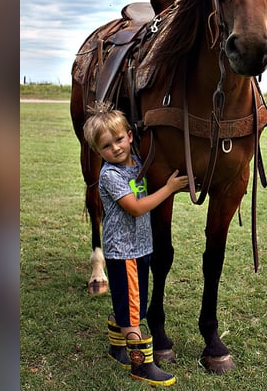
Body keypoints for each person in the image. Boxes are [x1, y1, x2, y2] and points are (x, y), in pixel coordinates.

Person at [83, 104, 188, 387]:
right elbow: (137, 208)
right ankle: (143, 366)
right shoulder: (110, 176)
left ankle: (118, 348)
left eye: (119, 139)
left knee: (130, 304)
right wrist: (169, 188)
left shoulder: (137, 163)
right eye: (106, 145)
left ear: (130, 136)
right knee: (133, 313)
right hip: (124, 252)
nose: (115, 148)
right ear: (98, 151)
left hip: (140, 249)